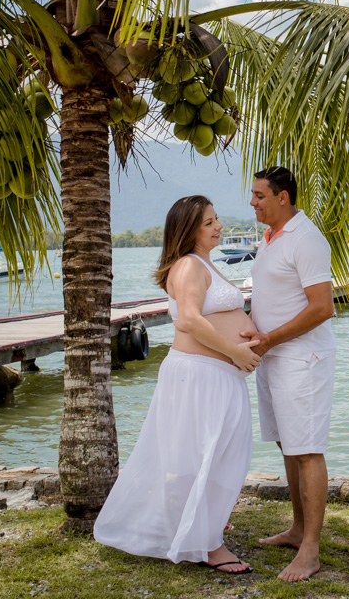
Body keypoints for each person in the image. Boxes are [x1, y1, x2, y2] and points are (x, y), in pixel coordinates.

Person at [94, 195, 262, 574]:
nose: (218, 226)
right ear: (188, 230)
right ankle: (209, 546)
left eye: (216, 219)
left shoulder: (205, 264)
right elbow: (188, 320)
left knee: (222, 456)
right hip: (200, 375)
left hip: (216, 376)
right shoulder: (188, 266)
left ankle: (202, 529)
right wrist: (236, 352)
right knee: (206, 458)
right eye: (209, 222)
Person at [245, 166, 336, 583]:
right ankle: (298, 530)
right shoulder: (268, 239)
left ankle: (311, 552)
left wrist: (271, 338)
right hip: (273, 357)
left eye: (260, 196)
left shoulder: (307, 238)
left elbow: (322, 308)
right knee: (288, 444)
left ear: (283, 197)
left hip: (302, 359)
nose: (253, 203)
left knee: (307, 448)